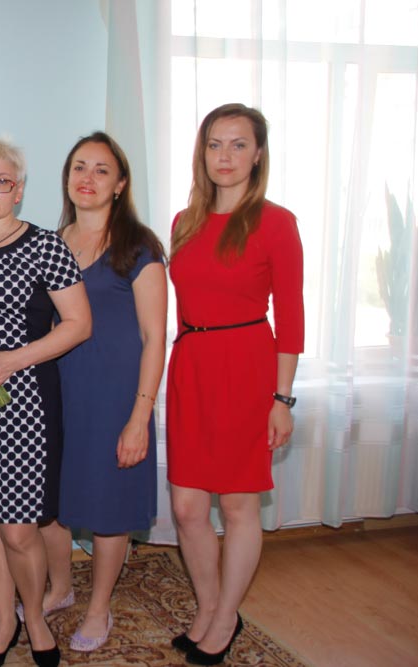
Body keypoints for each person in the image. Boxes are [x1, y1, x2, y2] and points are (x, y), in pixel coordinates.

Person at [167, 103, 304, 666]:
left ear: (258, 154)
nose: (225, 156)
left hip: (247, 369)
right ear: (202, 153)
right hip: (191, 366)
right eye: (214, 144)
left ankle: (225, 617)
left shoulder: (276, 222)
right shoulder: (184, 221)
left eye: (238, 144)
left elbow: (291, 318)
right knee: (186, 507)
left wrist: (282, 399)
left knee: (239, 503)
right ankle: (208, 606)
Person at [0, 137, 91, 667]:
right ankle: (3, 620)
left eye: (2, 181)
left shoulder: (45, 246)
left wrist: (14, 359)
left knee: (18, 527)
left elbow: (79, 324)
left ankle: (34, 615)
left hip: (26, 403)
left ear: (19, 189)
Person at [34, 132, 167, 652]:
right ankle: (61, 588)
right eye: (79, 167)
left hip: (115, 398)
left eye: (101, 170)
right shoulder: (49, 243)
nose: (87, 178)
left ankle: (98, 608)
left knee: (111, 506)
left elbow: (155, 337)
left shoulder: (139, 247)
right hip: (56, 393)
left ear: (120, 184)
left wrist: (140, 416)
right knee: (49, 502)